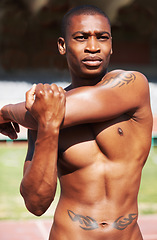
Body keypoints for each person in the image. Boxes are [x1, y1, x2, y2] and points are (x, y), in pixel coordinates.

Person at [0, 5, 153, 240]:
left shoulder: (133, 84)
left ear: (112, 44)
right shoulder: (41, 115)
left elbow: (76, 105)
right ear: (62, 45)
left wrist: (7, 112)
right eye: (81, 38)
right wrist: (49, 129)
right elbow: (36, 204)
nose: (93, 47)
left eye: (102, 38)